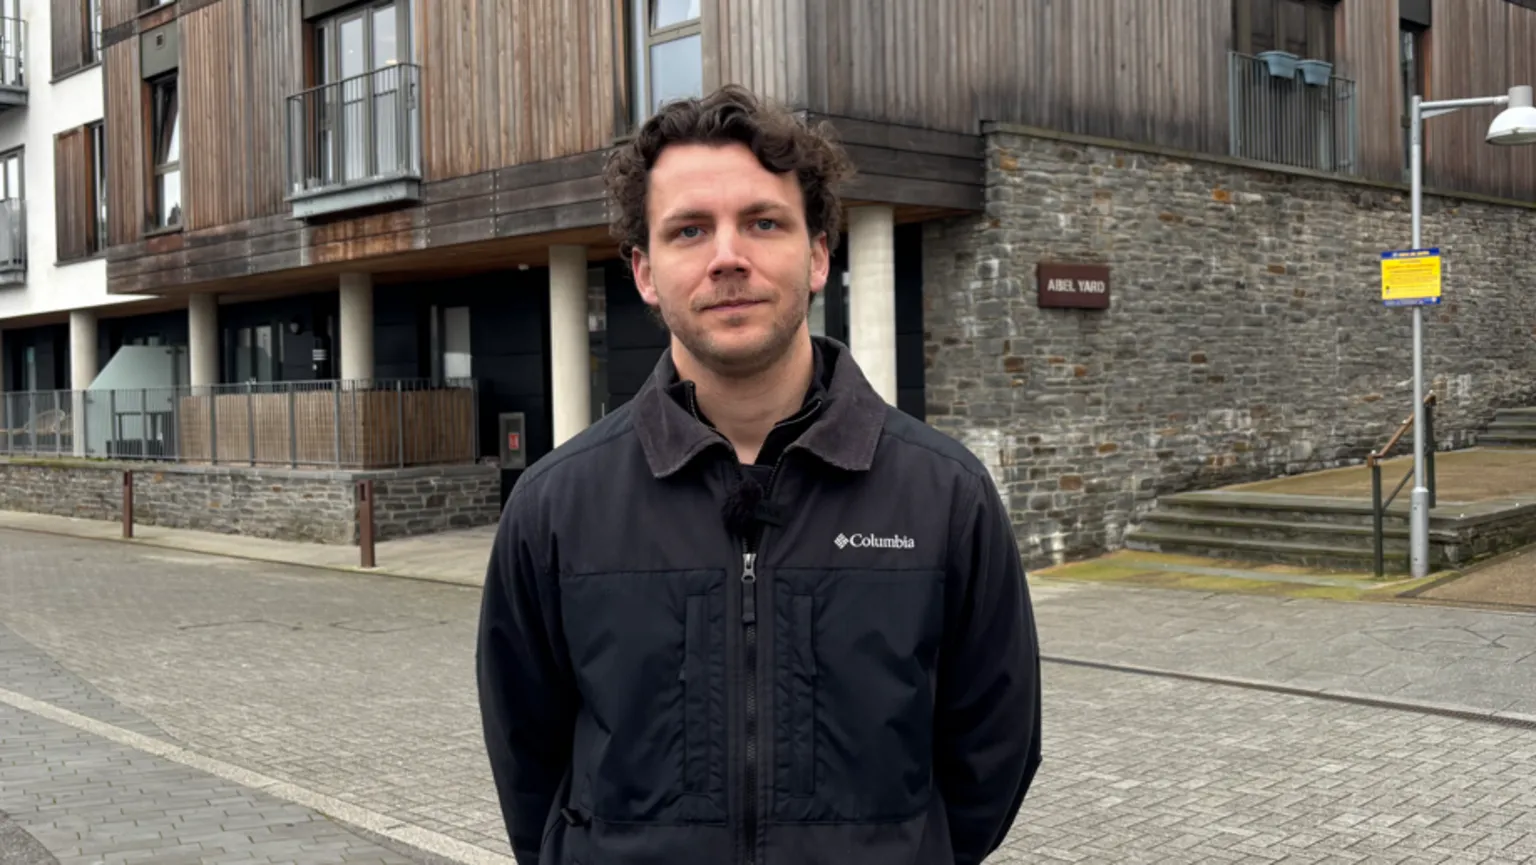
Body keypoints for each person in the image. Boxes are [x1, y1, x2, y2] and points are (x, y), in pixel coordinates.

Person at [475, 84, 1042, 865]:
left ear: (816, 256)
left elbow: (994, 753)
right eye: (689, 230)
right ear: (644, 271)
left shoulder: (945, 495)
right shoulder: (554, 507)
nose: (727, 256)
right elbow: (526, 755)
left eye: (763, 222)